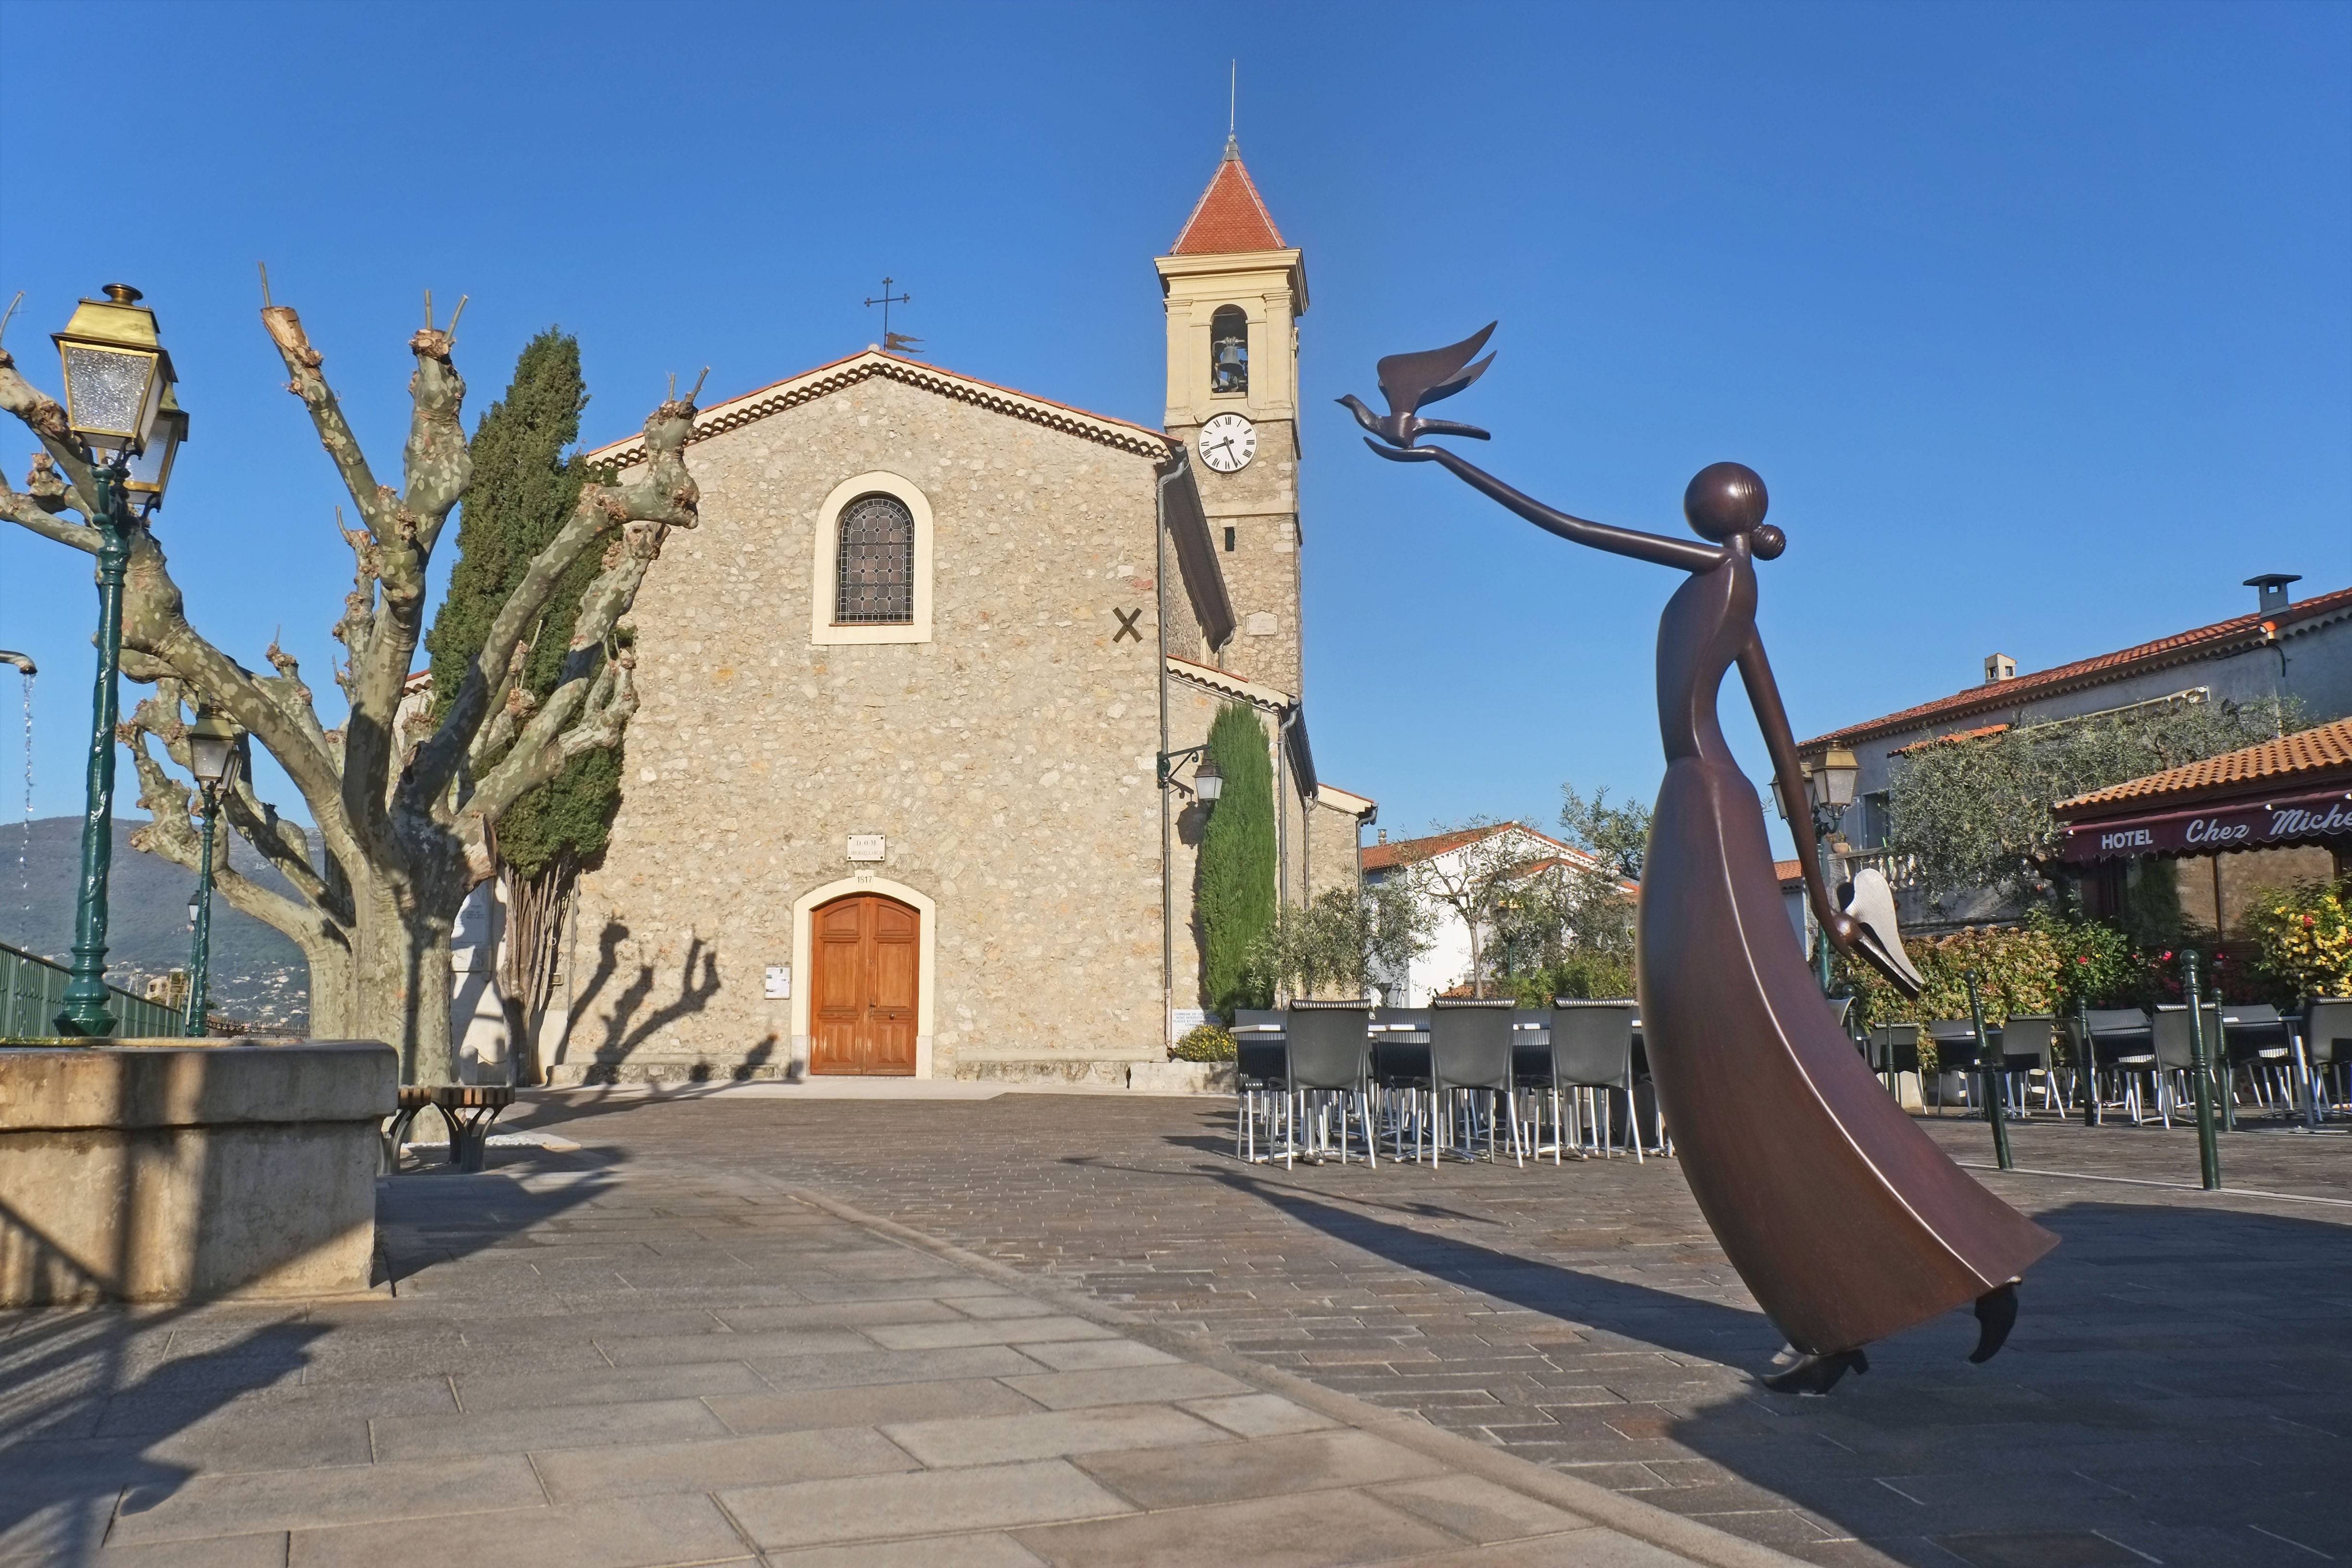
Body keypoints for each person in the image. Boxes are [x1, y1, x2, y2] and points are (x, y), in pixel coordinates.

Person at [1345, 331, 2056, 1393]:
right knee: (1753, 1057)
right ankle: (1867, 1301)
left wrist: (1440, 457)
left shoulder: (1715, 572)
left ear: (1716, 513)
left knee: (1751, 1048)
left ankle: (1908, 1285)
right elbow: (1783, 747)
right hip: (1703, 802)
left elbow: (1564, 525)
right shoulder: (1738, 594)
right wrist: (1823, 884)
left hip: (1705, 808)